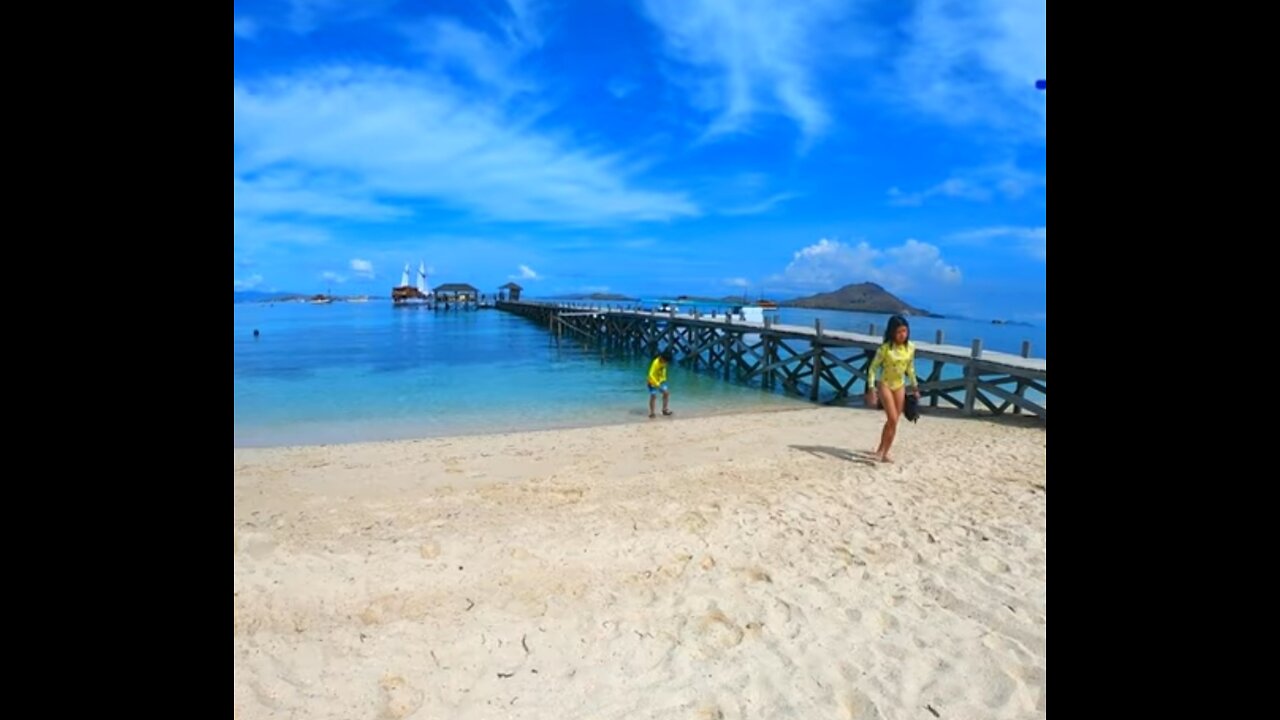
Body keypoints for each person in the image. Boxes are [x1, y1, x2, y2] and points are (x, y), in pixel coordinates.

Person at [864, 315, 920, 462]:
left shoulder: (910, 347)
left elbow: (911, 368)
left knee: (894, 421)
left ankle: (884, 451)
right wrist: (871, 388)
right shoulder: (885, 349)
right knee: (893, 419)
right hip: (885, 385)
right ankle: (880, 452)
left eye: (905, 331)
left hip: (900, 385)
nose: (903, 335)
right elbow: (872, 369)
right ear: (892, 332)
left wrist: (915, 386)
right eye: (899, 332)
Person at [647, 349, 674, 418]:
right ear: (661, 358)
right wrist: (657, 385)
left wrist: (663, 379)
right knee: (653, 396)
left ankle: (664, 410)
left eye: (666, 362)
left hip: (661, 381)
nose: (665, 363)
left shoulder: (665, 362)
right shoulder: (655, 363)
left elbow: (663, 370)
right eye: (665, 361)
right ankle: (652, 413)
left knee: (666, 393)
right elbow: (651, 375)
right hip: (652, 381)